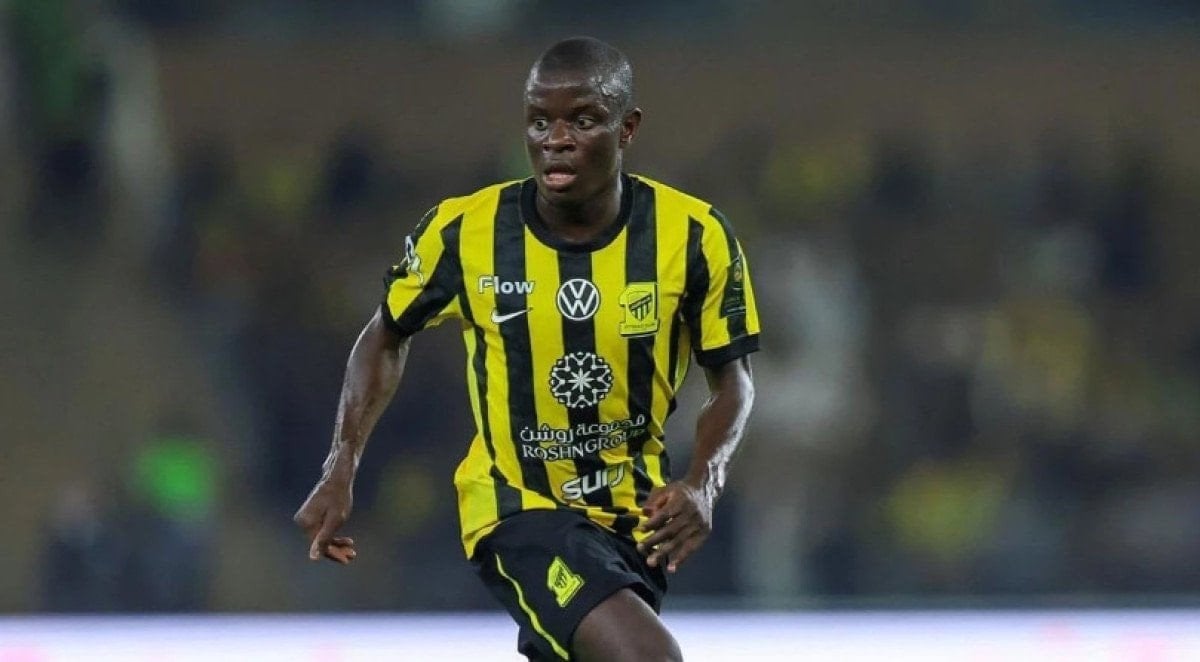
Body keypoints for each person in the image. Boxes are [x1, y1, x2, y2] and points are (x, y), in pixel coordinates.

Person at [293, 36, 759, 661]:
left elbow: (732, 380)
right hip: (518, 510)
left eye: (582, 121)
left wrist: (703, 482)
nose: (555, 139)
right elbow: (385, 334)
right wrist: (341, 464)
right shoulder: (465, 231)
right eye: (540, 121)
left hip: (635, 523)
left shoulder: (695, 236)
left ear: (627, 128)